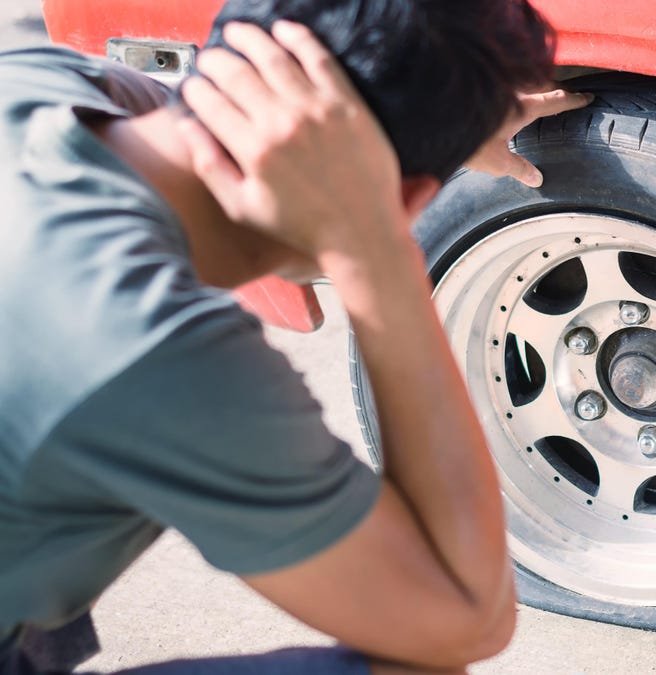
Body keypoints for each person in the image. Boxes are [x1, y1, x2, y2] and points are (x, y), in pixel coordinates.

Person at [0, 0, 591, 672]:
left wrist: (430, 131)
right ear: (409, 197)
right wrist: (376, 248)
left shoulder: (33, 79)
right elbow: (469, 618)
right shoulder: (152, 352)